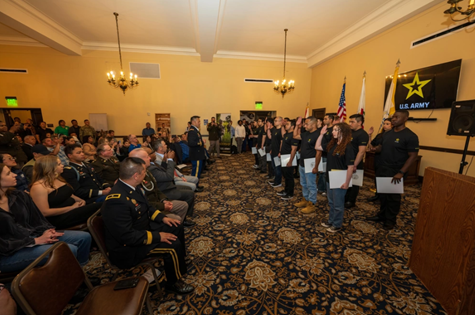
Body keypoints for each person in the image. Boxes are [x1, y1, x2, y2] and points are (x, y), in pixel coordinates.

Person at [101, 157, 195, 295]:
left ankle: (179, 261)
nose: (146, 173)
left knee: (176, 226)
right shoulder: (116, 201)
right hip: (127, 249)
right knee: (172, 245)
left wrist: (163, 218)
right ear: (136, 175)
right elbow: (127, 236)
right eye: (144, 171)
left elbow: (147, 207)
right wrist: (158, 236)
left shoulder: (132, 187)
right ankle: (173, 282)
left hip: (140, 231)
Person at [0, 163, 91, 273]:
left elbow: (37, 218)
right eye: (9, 173)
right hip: (9, 252)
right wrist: (34, 241)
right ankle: (69, 280)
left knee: (83, 238)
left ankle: (79, 274)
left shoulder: (18, 195)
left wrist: (47, 230)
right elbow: (3, 245)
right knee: (67, 250)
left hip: (33, 236)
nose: (15, 175)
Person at [367, 110, 419, 230]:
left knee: (393, 197)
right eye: (393, 117)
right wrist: (374, 149)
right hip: (382, 168)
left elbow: (413, 156)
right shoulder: (387, 134)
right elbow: (381, 147)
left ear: (405, 119)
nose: (393, 119)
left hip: (396, 171)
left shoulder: (410, 136)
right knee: (382, 195)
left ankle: (390, 220)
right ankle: (382, 215)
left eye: (396, 117)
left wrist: (401, 172)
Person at [30, 155, 102, 229]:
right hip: (60, 218)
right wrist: (71, 207)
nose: (62, 165)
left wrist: (81, 200)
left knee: (106, 204)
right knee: (103, 205)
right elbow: (44, 212)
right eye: (59, 164)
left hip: (72, 210)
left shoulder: (57, 178)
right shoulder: (38, 186)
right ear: (49, 168)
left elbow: (67, 194)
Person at [129, 149, 190, 223]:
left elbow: (156, 189)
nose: (150, 158)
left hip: (159, 199)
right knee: (176, 217)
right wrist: (162, 206)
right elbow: (145, 202)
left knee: (183, 204)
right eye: (147, 156)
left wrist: (163, 200)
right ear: (139, 160)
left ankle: (178, 225)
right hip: (152, 208)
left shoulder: (147, 171)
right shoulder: (136, 177)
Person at [315, 123, 355, 233]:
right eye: (333, 130)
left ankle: (337, 224)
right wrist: (321, 135)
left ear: (343, 132)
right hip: (330, 177)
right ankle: (331, 220)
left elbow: (350, 167)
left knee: (338, 204)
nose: (333, 132)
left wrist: (347, 183)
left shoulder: (348, 147)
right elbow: (317, 147)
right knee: (331, 202)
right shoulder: (332, 144)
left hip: (340, 178)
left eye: (336, 130)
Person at [293, 116, 320, 213]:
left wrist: (316, 166)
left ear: (313, 124)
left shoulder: (318, 135)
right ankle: (305, 199)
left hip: (311, 164)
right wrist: (297, 126)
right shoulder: (305, 134)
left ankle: (312, 203)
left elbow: (319, 152)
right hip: (302, 163)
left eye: (307, 124)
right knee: (303, 183)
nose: (305, 125)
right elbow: (295, 136)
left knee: (311, 184)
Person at [344, 114, 369, 209]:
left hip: (355, 162)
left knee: (354, 183)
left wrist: (355, 164)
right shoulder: (349, 132)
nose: (350, 124)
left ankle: (351, 201)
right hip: (346, 161)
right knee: (346, 180)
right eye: (349, 121)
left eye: (352, 122)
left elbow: (361, 151)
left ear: (360, 123)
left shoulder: (362, 134)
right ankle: (345, 198)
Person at [367, 118, 392, 201]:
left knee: (386, 180)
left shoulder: (392, 136)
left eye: (387, 124)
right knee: (377, 178)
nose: (385, 125)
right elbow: (371, 147)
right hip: (378, 159)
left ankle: (384, 197)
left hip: (388, 161)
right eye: (384, 123)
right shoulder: (379, 135)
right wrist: (370, 135)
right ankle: (377, 195)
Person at [314, 113, 336, 196]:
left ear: (331, 120)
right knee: (321, 172)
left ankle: (324, 189)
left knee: (324, 173)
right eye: (323, 119)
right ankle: (320, 187)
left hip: (327, 155)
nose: (324, 120)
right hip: (321, 153)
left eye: (326, 119)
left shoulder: (332, 130)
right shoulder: (324, 129)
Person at [278, 119, 299, 200]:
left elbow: (293, 149)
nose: (286, 125)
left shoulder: (293, 136)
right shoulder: (286, 134)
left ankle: (290, 193)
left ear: (292, 126)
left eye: (287, 124)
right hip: (284, 157)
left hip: (289, 158)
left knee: (289, 176)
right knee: (285, 175)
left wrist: (290, 161)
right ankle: (286, 190)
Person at [267, 117, 283, 188]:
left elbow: (281, 142)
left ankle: (278, 182)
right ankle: (276, 180)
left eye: (276, 121)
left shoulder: (281, 131)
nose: (275, 122)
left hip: (277, 153)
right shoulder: (274, 130)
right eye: (274, 121)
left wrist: (280, 151)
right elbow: (270, 137)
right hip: (273, 151)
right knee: (274, 167)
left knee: (277, 167)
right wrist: (268, 128)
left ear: (280, 122)